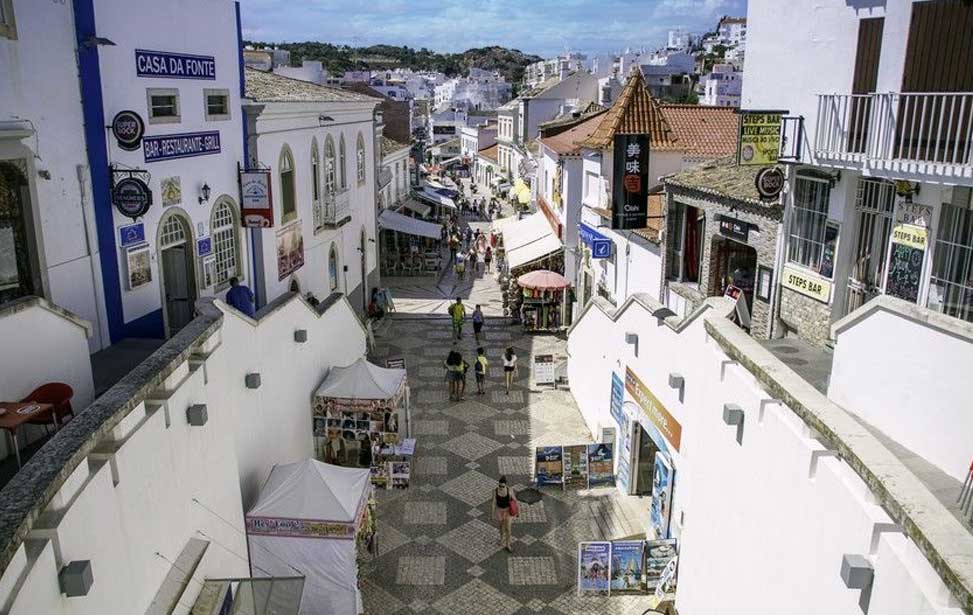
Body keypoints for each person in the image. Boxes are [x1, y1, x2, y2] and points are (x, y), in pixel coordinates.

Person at [492, 476, 517, 552]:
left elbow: (515, 501)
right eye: (499, 485)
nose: (501, 487)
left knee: (508, 528)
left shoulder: (510, 490)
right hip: (499, 511)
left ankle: (508, 544)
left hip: (508, 511)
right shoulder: (495, 491)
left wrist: (517, 512)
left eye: (502, 486)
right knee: (501, 527)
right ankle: (501, 539)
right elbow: (493, 503)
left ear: (506, 485)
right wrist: (492, 514)